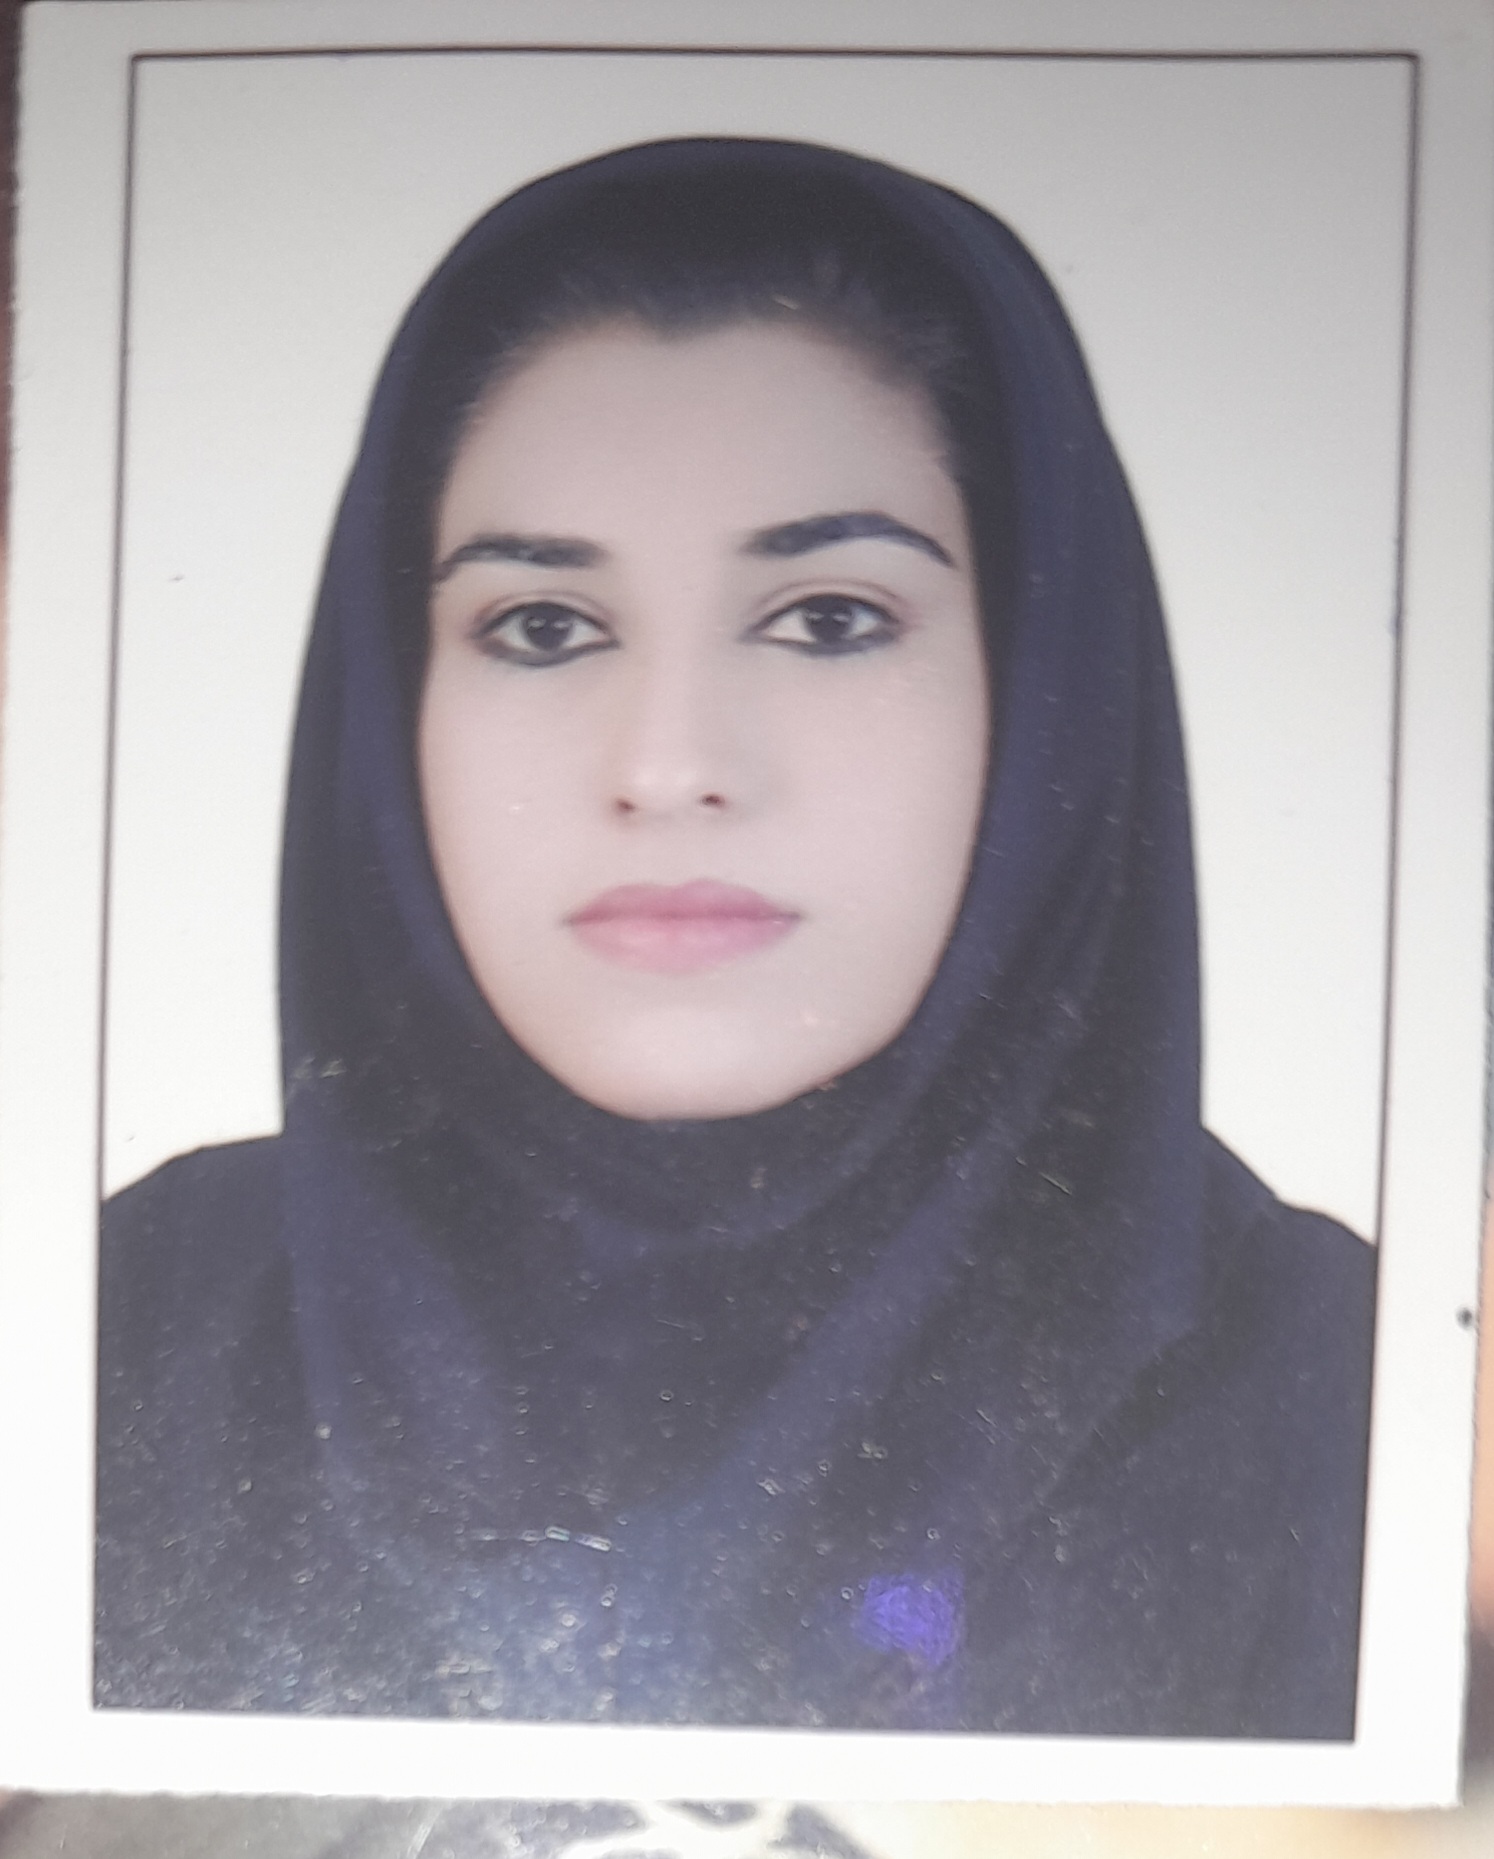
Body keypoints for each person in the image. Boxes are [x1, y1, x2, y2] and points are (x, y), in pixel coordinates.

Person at [94, 137, 1376, 1736]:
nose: (668, 765)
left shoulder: (1353, 1400)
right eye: (542, 626)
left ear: (1041, 683)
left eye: (828, 619)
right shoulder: (124, 1325)